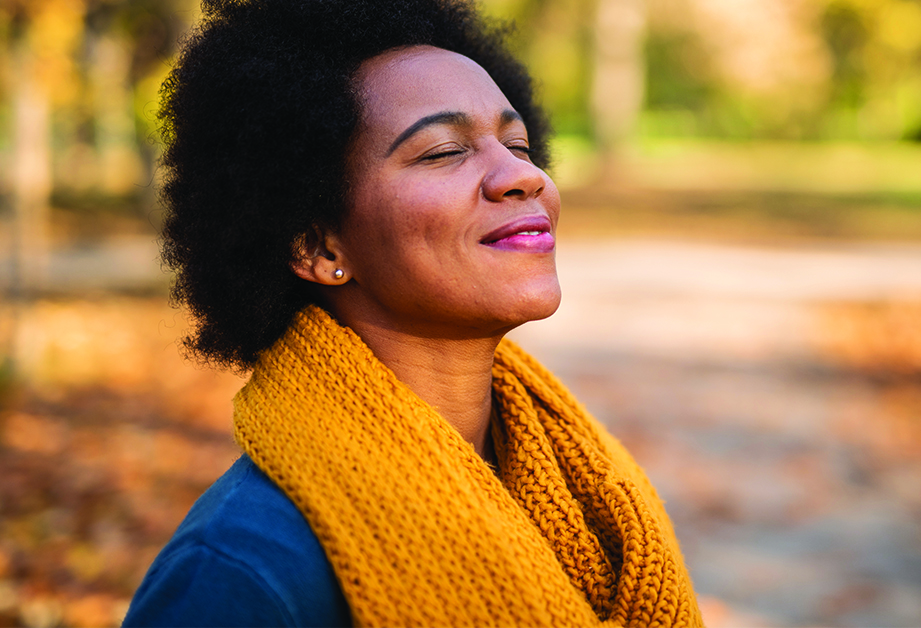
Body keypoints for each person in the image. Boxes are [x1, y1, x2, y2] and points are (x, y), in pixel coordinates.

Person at [121, 0, 703, 626]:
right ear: (317, 246)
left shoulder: (583, 492)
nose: (521, 177)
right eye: (442, 152)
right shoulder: (243, 575)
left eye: (518, 143)